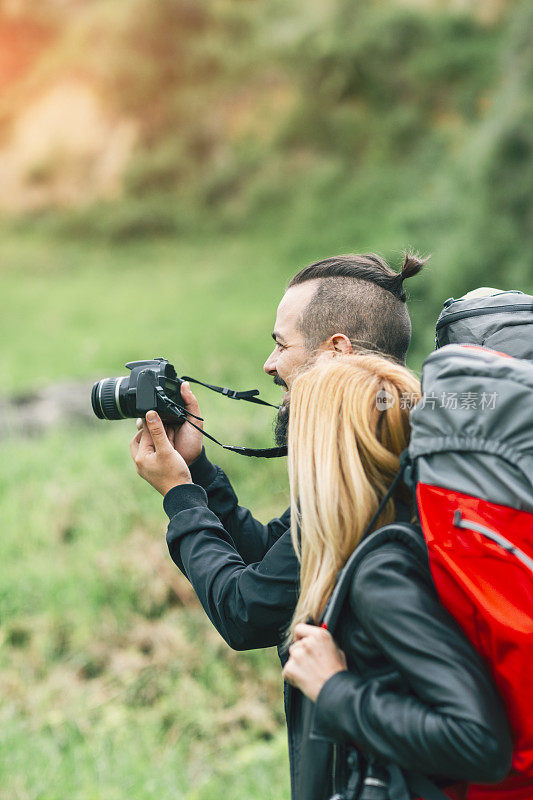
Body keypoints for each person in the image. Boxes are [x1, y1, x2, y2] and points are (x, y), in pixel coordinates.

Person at [130, 252, 426, 650]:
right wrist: (196, 469)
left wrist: (180, 496)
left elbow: (246, 612)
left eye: (282, 345)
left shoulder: (367, 475)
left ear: (337, 352)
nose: (269, 365)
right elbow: (271, 555)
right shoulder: (386, 448)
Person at [280, 353, 512, 800]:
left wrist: (335, 690)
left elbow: (480, 741)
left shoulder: (382, 575)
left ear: (326, 459)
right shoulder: (395, 540)